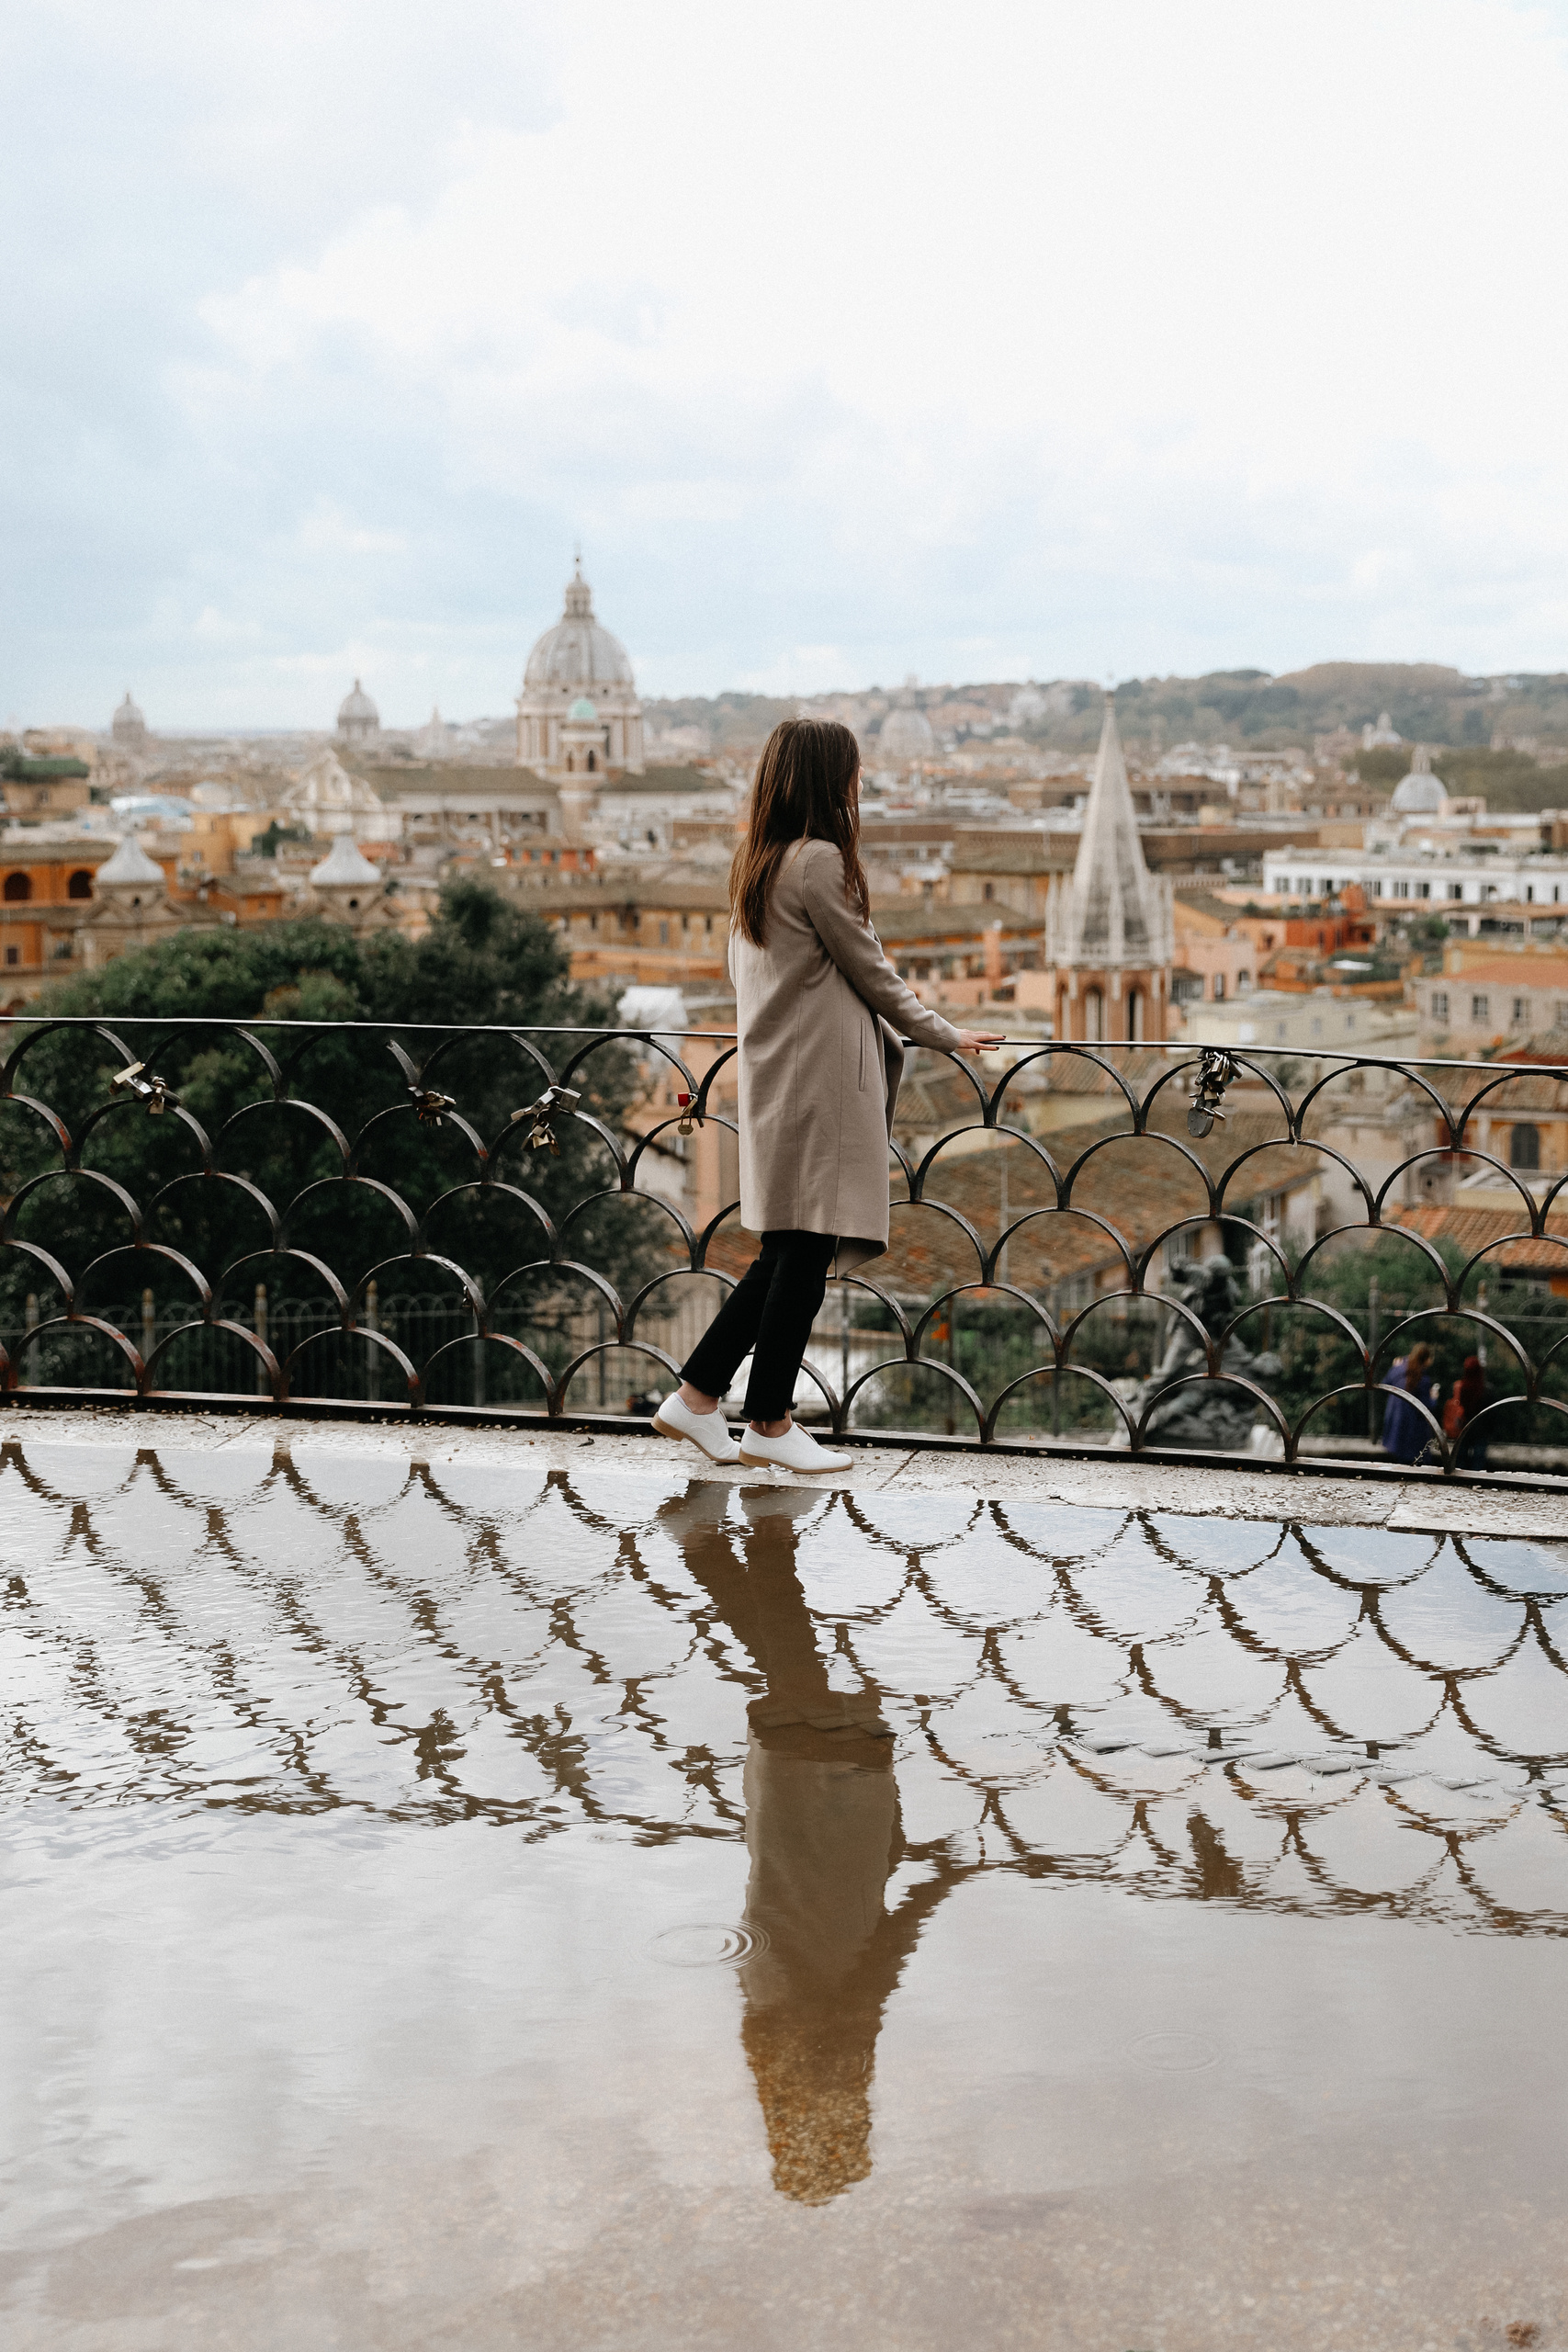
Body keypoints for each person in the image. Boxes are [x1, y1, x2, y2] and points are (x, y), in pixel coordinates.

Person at [653, 717, 1002, 1475]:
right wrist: (946, 1034)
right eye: (851, 772)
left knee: (785, 1250)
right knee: (803, 1257)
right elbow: (870, 969)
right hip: (821, 1082)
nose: (859, 786)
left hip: (778, 1074)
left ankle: (698, 1396)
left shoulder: (758, 859)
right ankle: (769, 1422)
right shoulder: (816, 862)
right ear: (827, 780)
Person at [1381, 1340, 1440, 1466]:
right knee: (1417, 1461)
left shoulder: (1398, 1369)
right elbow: (1427, 1407)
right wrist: (1434, 1398)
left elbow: (1385, 1384)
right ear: (1426, 1359)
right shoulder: (1422, 1380)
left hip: (1396, 1422)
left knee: (1401, 1461)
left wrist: (1393, 1367)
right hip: (1414, 1427)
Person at [1453, 1352, 1488, 1470]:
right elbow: (1493, 1415)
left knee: (1461, 1458)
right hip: (1481, 1430)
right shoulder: (1486, 1390)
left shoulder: (1461, 1388)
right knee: (1478, 1459)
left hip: (1464, 1427)